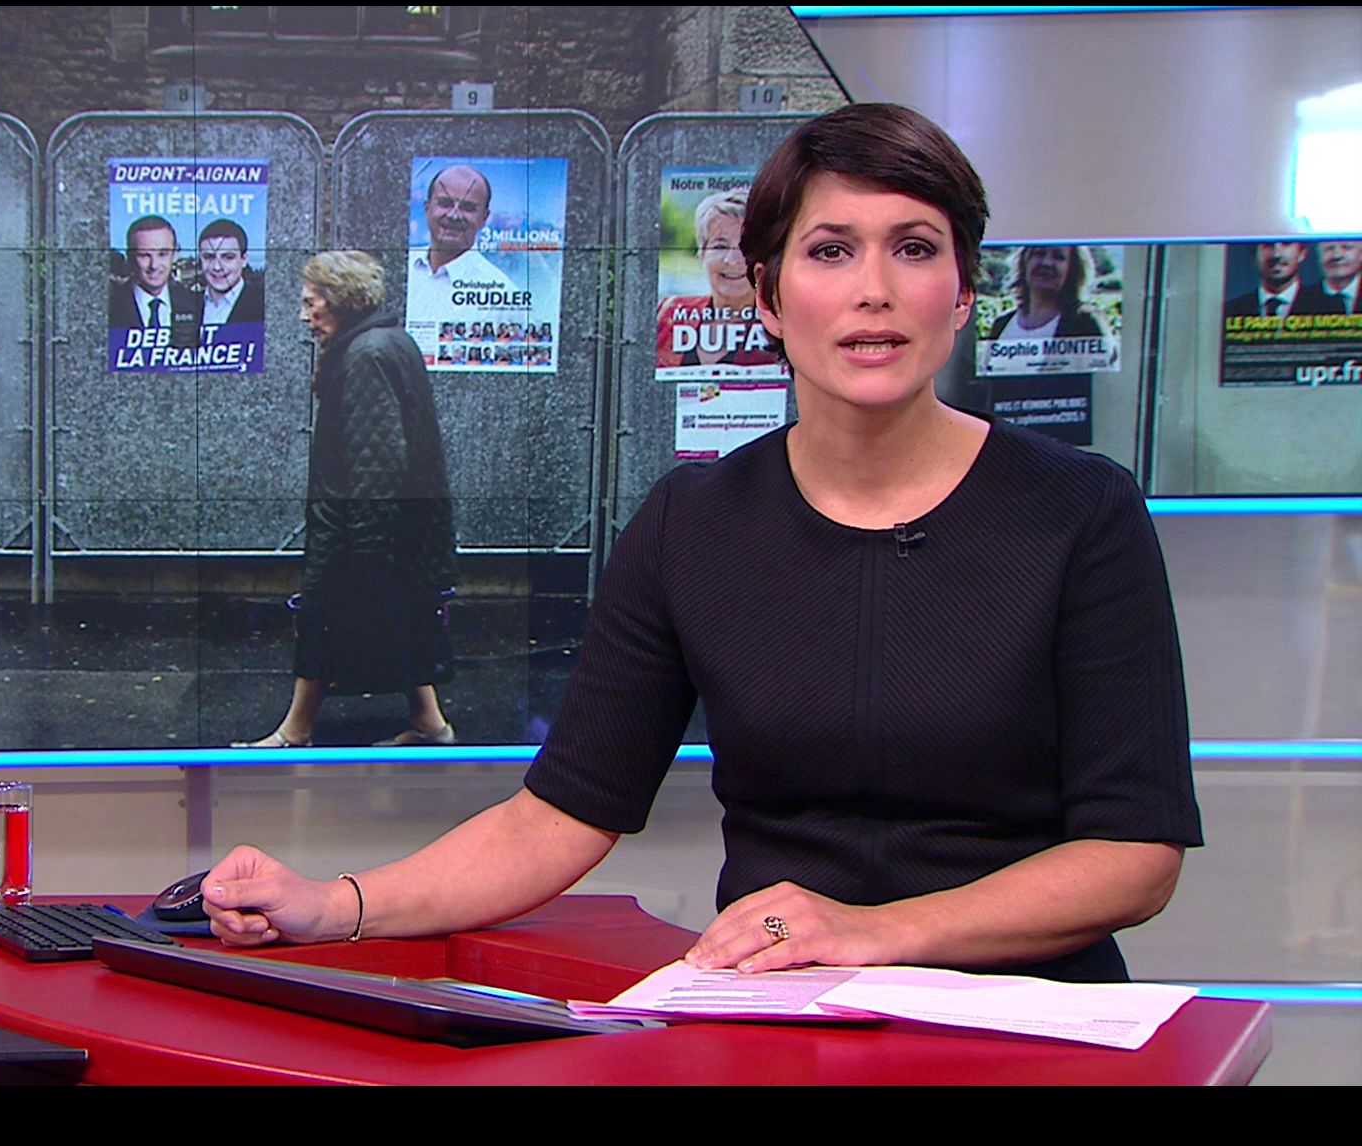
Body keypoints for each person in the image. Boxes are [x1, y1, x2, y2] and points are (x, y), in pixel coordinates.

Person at [203, 104, 1201, 985]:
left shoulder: (1081, 511)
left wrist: (875, 932)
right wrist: (334, 904)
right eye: (831, 251)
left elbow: (1134, 855)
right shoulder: (695, 522)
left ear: (963, 290)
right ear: (766, 296)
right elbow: (556, 818)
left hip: (1032, 1023)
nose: (875, 289)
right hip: (778, 1012)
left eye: (914, 248)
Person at [232, 250, 458, 750]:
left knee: (321, 621)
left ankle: (295, 731)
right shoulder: (388, 341)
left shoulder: (365, 356)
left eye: (311, 303)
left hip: (361, 531)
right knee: (401, 623)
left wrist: (366, 545)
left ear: (341, 300)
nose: (305, 316)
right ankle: (430, 723)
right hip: (396, 529)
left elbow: (379, 459)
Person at [655, 187, 780, 368]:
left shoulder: (782, 327)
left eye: (746, 248)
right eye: (720, 246)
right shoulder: (667, 313)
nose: (732, 260)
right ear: (702, 254)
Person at [404, 164, 515, 330]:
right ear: (427, 209)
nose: (454, 215)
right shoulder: (400, 268)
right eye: (445, 203)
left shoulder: (504, 295)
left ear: (484, 218)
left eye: (467, 208)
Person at [109, 215, 201, 350]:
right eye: (144, 255)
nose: (154, 265)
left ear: (175, 254)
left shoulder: (197, 305)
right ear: (130, 256)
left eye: (162, 254)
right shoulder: (110, 307)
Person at [985, 245, 1109, 343]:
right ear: (1024, 262)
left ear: (1072, 268)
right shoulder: (1001, 325)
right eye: (1039, 253)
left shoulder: (1086, 323)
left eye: (1058, 256)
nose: (1046, 263)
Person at [197, 218, 263, 330]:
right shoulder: (188, 304)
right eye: (209, 257)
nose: (217, 267)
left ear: (244, 260)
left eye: (228, 257)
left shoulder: (262, 303)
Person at [1224, 241, 1315, 319]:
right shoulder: (1231, 310)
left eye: (1286, 243)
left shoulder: (1321, 304)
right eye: (1267, 244)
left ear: (1302, 253)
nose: (1276, 255)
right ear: (1254, 255)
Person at [1310, 240, 1362, 314]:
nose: (1337, 256)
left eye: (1347, 248)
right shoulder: (1303, 299)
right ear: (1319, 256)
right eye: (1329, 248)